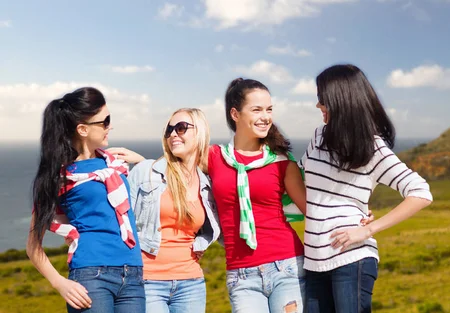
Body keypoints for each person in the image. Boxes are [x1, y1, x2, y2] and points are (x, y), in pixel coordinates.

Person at [300, 64, 433, 313]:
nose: (318, 106)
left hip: (352, 259)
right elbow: (296, 178)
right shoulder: (319, 136)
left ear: (340, 100)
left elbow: (420, 192)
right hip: (314, 262)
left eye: (322, 99)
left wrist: (369, 229)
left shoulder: (373, 147)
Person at [26, 87, 145, 313]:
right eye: (104, 121)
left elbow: (162, 190)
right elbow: (33, 247)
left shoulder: (116, 164)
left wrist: (142, 162)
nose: (110, 127)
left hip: (134, 275)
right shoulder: (60, 176)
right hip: (91, 276)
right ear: (82, 129)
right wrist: (59, 283)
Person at [208, 78, 306, 313]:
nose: (266, 117)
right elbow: (176, 168)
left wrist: (355, 216)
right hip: (241, 276)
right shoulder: (213, 156)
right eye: (257, 109)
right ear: (235, 114)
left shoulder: (281, 161)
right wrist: (142, 163)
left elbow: (313, 211)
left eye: (269, 109)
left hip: (287, 266)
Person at [110, 108, 221, 313]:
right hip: (148, 281)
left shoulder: (208, 185)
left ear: (201, 132)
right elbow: (121, 223)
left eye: (181, 128)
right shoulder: (146, 172)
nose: (173, 134)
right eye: (169, 130)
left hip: (191, 283)